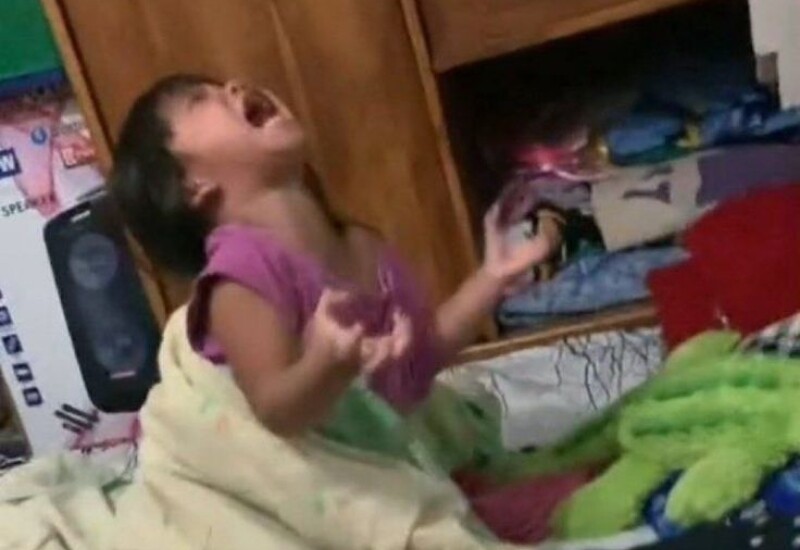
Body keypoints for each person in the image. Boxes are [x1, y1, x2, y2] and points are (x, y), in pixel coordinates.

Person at [110, 74, 587, 544]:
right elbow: (276, 412)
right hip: (291, 472)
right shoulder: (238, 276)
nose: (232, 86)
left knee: (547, 488)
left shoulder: (359, 245)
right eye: (201, 99)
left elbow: (417, 360)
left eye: (222, 84)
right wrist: (326, 363)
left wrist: (492, 278)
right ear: (192, 185)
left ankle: (471, 500)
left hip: (379, 445)